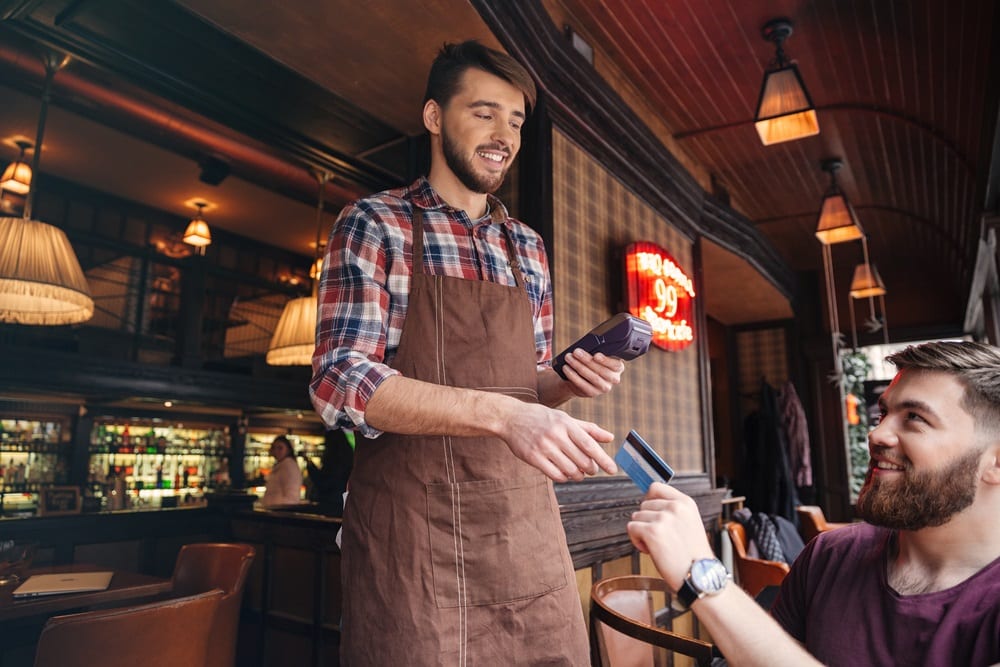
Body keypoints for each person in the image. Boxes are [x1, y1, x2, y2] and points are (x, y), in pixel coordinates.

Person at [309, 40, 624, 665]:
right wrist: (505, 416)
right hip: (411, 543)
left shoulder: (526, 247)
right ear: (434, 117)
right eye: (484, 112)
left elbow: (524, 387)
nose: (503, 134)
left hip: (522, 533)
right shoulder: (375, 224)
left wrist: (563, 380)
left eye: (515, 121)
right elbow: (339, 381)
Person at [627, 340, 1000, 666]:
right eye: (884, 413)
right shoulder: (830, 553)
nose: (877, 433)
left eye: (915, 418)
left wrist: (705, 578)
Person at [302, 428, 353, 515]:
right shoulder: (348, 458)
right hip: (342, 502)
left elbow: (325, 483)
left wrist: (311, 468)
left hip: (330, 503)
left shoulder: (334, 461)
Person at [260, 435, 303, 507]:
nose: (276, 451)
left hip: (280, 513)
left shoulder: (289, 467)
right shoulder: (282, 466)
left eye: (280, 448)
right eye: (274, 448)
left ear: (288, 450)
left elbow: (291, 498)